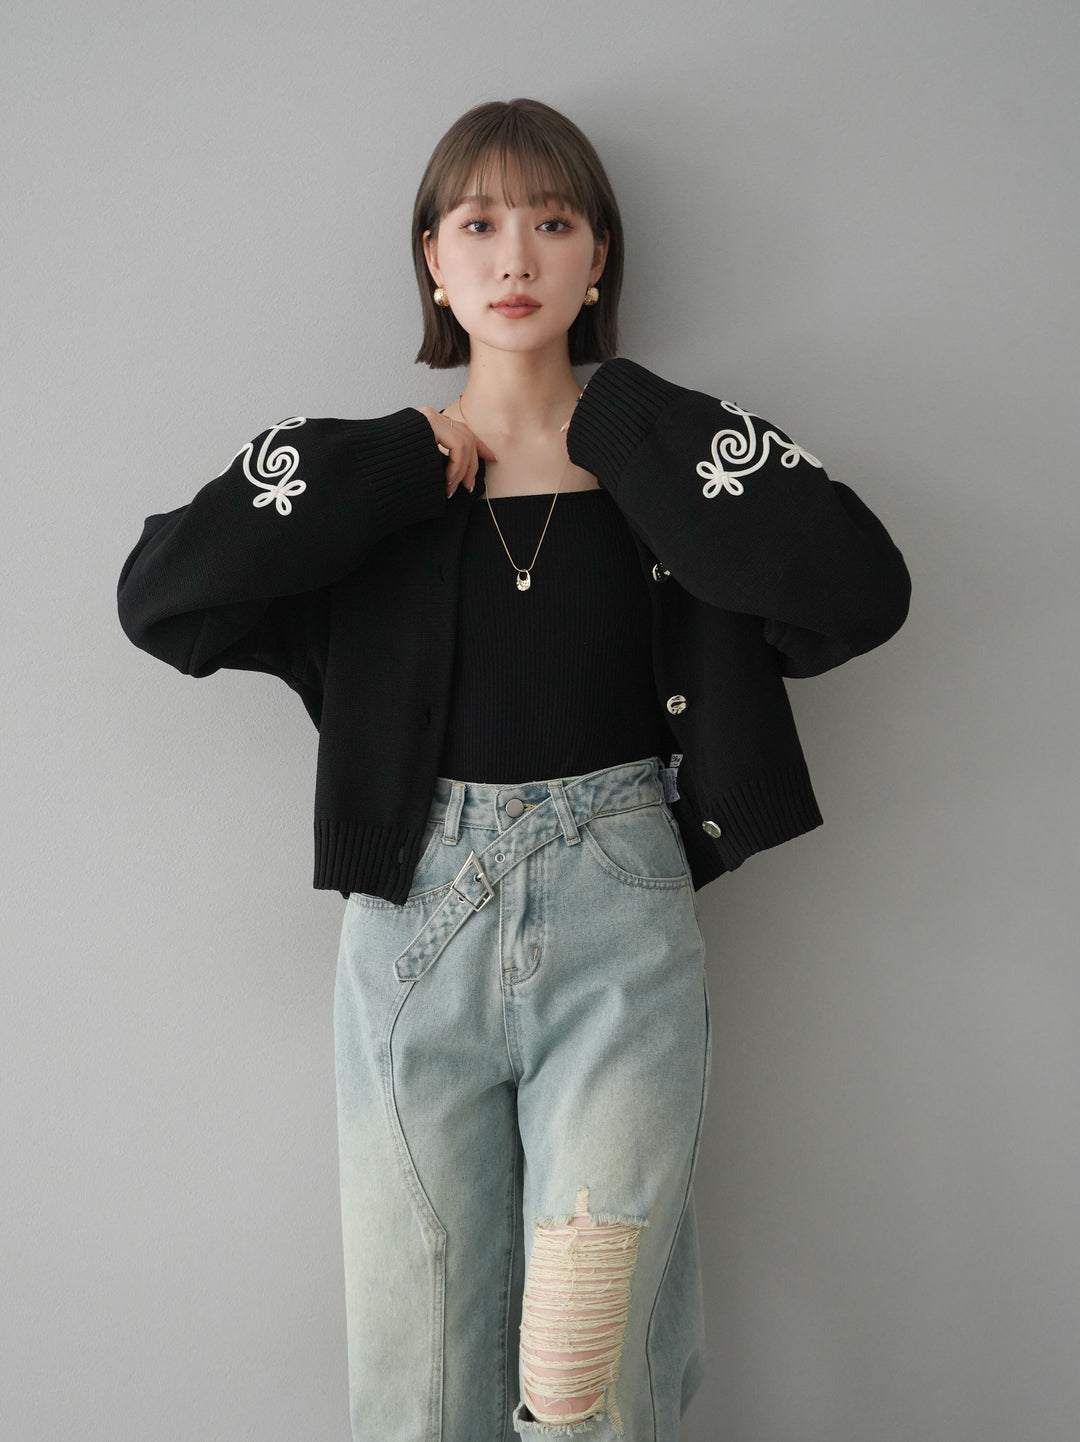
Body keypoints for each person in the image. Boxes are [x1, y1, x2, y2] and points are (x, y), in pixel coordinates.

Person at [116, 98, 911, 1441]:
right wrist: (386, 458)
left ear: (599, 258)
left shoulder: (655, 470)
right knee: (420, 1378)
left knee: (583, 1376)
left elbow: (862, 588)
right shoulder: (382, 494)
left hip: (621, 929)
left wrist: (632, 426)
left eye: (553, 221)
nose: (515, 257)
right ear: (432, 260)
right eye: (478, 224)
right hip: (413, 932)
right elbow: (162, 595)